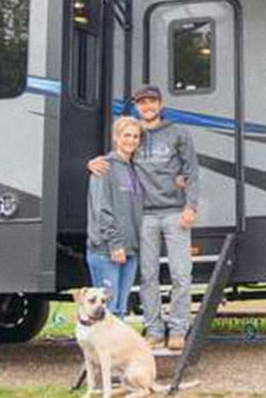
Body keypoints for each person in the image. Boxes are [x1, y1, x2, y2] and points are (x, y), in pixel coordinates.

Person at [89, 84, 199, 350]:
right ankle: (153, 329)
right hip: (145, 217)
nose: (147, 107)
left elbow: (191, 171)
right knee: (148, 275)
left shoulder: (178, 132)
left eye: (152, 102)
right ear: (137, 106)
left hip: (175, 212)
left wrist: (190, 206)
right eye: (142, 103)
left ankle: (178, 328)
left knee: (181, 274)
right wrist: (93, 163)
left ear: (160, 104)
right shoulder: (133, 133)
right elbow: (116, 162)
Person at [85, 116, 145, 319]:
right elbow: (101, 209)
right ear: (116, 138)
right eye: (127, 135)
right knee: (106, 311)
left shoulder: (136, 169)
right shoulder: (104, 167)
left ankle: (117, 351)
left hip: (130, 251)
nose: (131, 140)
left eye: (136, 136)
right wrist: (115, 243)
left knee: (119, 309)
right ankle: (105, 352)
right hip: (107, 250)